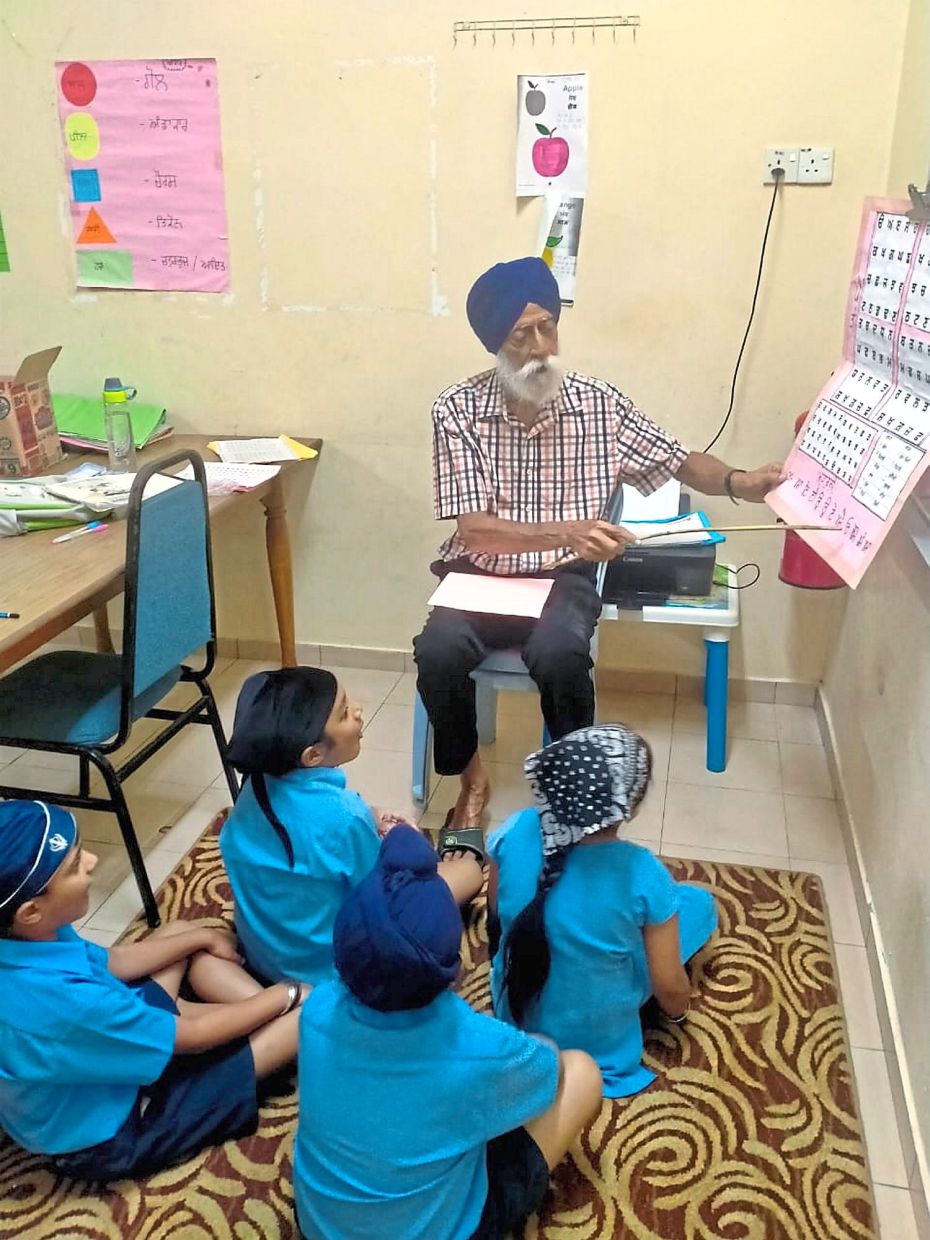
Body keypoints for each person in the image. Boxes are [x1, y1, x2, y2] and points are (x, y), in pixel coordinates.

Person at [413, 256, 785, 830]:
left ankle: (574, 790)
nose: (540, 346)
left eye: (548, 326)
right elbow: (474, 529)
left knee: (561, 656)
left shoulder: (598, 402)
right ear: (495, 342)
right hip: (481, 570)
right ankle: (471, 779)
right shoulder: (457, 409)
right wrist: (568, 529)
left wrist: (739, 482)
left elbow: (679, 460)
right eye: (521, 334)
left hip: (565, 574)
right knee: (437, 652)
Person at [293, 824, 603, 1240]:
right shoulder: (477, 1048)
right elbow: (549, 1071)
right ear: (455, 972)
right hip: (442, 1228)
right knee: (581, 1071)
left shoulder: (317, 1010)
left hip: (321, 1228)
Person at [0, 799, 307, 1180]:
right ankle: (292, 1029)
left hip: (93, 1060)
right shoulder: (57, 1002)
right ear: (30, 911)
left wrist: (199, 937)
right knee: (310, 1011)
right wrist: (287, 993)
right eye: (76, 865)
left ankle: (254, 1017)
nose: (93, 861)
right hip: (114, 1132)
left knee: (181, 936)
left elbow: (115, 962)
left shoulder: (30, 935)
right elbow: (191, 1038)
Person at [487, 724, 717, 1097]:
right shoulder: (641, 872)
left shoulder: (513, 829)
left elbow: (496, 918)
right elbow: (669, 985)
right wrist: (678, 1014)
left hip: (513, 1016)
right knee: (698, 904)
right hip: (597, 1051)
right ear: (631, 806)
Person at [220, 666, 485, 989]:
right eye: (344, 713)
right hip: (337, 971)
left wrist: (371, 815)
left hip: (265, 963)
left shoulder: (252, 789)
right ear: (313, 755)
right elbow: (380, 895)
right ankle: (461, 852)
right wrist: (407, 847)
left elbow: (310, 826)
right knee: (467, 870)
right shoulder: (345, 817)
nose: (358, 710)